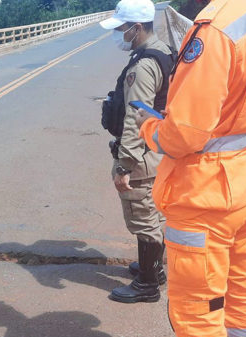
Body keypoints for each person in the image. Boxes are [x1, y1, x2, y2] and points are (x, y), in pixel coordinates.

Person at [135, 0, 246, 337]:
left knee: (200, 316)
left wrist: (149, 127)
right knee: (241, 291)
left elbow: (184, 135)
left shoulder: (215, 29)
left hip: (207, 200)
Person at [99, 0, 176, 303]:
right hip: (160, 150)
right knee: (154, 214)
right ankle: (153, 269)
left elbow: (135, 116)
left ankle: (147, 284)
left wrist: (124, 165)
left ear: (137, 27)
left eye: (121, 28)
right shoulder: (165, 52)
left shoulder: (144, 65)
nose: (119, 33)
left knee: (142, 216)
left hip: (143, 155)